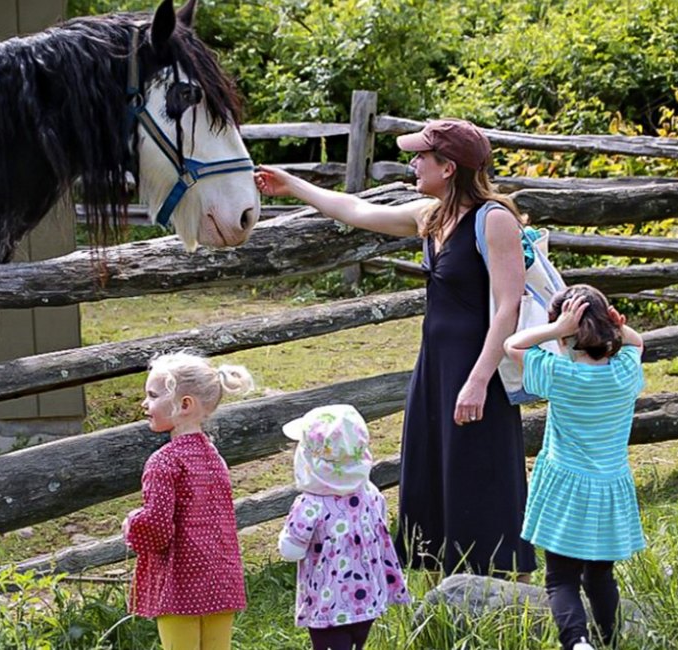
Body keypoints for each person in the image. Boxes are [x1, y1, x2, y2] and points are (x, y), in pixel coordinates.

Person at [256, 118, 537, 579]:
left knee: (482, 470)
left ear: (448, 167)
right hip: (435, 366)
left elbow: (507, 307)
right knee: (433, 464)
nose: (413, 163)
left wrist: (479, 380)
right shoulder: (431, 215)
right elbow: (355, 210)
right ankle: (450, 579)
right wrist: (293, 185)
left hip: (475, 368)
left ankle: (506, 583)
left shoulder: (495, 219)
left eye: (421, 156)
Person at [504, 285, 645, 650]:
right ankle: (608, 641)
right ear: (607, 325)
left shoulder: (559, 375)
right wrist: (616, 326)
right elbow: (637, 342)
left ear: (564, 336)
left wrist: (555, 329)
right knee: (600, 575)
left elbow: (513, 345)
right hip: (609, 487)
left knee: (560, 579)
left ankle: (577, 642)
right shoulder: (625, 372)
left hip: (566, 487)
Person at [122, 351, 255, 650]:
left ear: (184, 405)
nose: (145, 403)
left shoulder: (164, 462)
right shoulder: (214, 457)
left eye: (153, 395)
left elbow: (157, 528)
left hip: (180, 583)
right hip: (222, 579)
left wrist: (131, 524)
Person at [277, 404, 411, 650]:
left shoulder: (310, 505)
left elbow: (291, 551)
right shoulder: (370, 494)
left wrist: (286, 536)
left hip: (329, 606)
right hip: (367, 600)